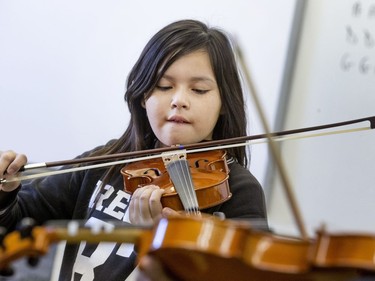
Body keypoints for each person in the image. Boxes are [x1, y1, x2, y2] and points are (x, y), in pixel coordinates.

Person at [0, 19, 267, 281]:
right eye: (164, 86)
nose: (179, 101)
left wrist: (160, 242)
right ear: (143, 95)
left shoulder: (238, 191)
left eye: (199, 90)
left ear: (223, 102)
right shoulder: (107, 160)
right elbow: (17, 228)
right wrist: (5, 193)